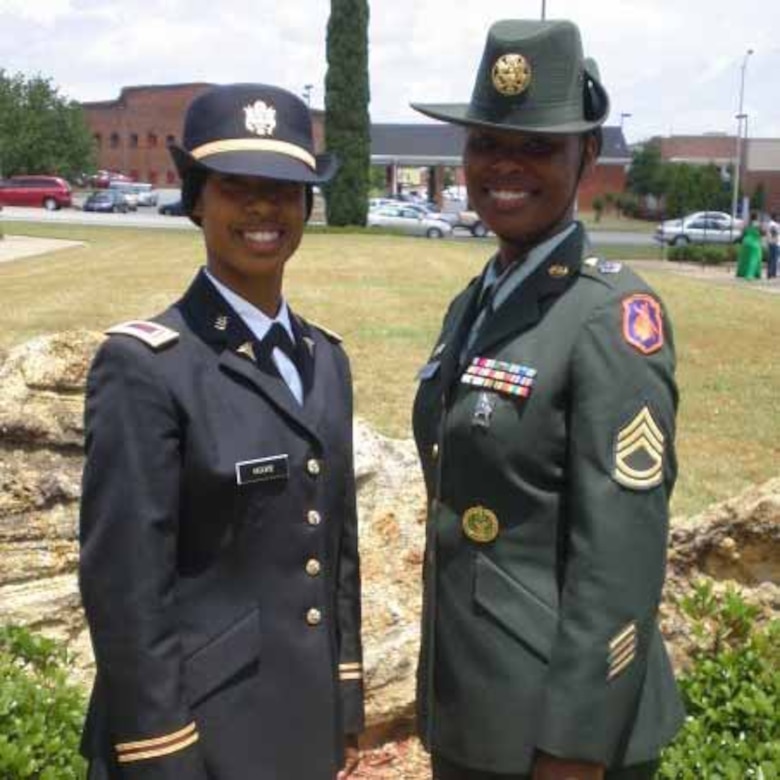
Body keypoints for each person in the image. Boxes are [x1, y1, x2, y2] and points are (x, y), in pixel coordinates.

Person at [411, 20, 684, 780]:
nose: (505, 165)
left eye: (537, 147)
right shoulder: (477, 301)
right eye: (487, 141)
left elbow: (620, 561)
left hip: (558, 733)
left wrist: (573, 749)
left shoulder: (611, 319)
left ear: (587, 156)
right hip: (478, 707)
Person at [79, 84, 364, 780]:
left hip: (299, 722)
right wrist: (160, 751)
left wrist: (345, 700)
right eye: (237, 187)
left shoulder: (324, 359)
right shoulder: (146, 368)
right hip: (196, 733)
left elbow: (338, 548)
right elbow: (124, 585)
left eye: (286, 188)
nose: (264, 208)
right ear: (197, 199)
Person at [736, 212, 763, 279]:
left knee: (744, 259)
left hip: (745, 242)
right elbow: (762, 233)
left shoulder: (747, 224)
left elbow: (742, 234)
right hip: (754, 243)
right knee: (754, 259)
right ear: (757, 217)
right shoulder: (758, 224)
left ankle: (741, 273)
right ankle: (751, 274)